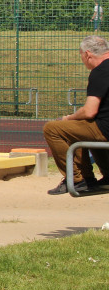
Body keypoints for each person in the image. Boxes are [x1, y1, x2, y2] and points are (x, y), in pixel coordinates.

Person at [42, 35, 109, 194]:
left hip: (105, 128)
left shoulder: (100, 71)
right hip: (102, 126)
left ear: (87, 54)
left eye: (81, 55)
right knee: (78, 128)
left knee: (53, 128)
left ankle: (77, 179)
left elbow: (89, 111)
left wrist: (68, 118)